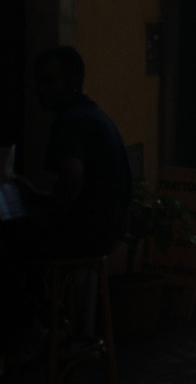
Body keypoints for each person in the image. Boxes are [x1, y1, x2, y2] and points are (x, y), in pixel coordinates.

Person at [33, 45, 133, 258]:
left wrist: (48, 222)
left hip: (84, 237)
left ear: (75, 81)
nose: (41, 89)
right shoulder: (96, 116)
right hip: (106, 235)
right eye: (39, 81)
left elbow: (72, 176)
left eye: (50, 81)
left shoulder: (71, 121)